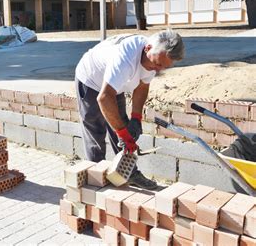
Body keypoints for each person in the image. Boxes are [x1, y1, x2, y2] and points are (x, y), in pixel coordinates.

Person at [74, 29, 185, 190]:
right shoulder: (124, 58)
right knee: (96, 128)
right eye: (158, 64)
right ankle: (96, 173)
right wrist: (122, 133)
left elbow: (142, 86)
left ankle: (129, 173)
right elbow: (104, 98)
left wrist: (136, 118)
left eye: (163, 67)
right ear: (147, 49)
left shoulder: (154, 59)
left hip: (114, 85)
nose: (158, 70)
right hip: (91, 79)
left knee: (123, 128)